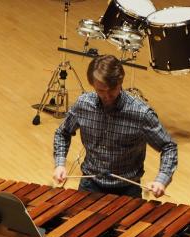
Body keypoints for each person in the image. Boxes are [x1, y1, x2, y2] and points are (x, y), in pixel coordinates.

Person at [52, 54, 177, 198]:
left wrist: (161, 180)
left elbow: (168, 146)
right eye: (100, 90)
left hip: (127, 189)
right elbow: (62, 133)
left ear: (120, 82)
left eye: (112, 90)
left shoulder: (140, 113)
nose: (106, 96)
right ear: (92, 85)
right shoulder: (83, 105)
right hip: (90, 184)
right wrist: (60, 164)